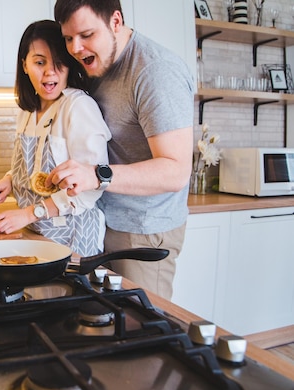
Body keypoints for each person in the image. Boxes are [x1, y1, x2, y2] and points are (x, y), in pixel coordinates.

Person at [48, 0, 195, 298]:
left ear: (116, 21)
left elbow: (175, 171)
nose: (75, 48)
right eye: (68, 38)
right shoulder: (96, 63)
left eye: (86, 35)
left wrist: (96, 175)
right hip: (103, 224)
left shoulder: (154, 72)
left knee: (143, 330)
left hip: (143, 232)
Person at [0, 19, 111, 257]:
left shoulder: (78, 107)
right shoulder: (27, 111)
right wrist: (9, 180)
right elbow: (31, 164)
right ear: (24, 65)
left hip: (75, 242)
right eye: (39, 62)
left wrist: (30, 213)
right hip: (37, 235)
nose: (50, 72)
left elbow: (90, 187)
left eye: (59, 63)